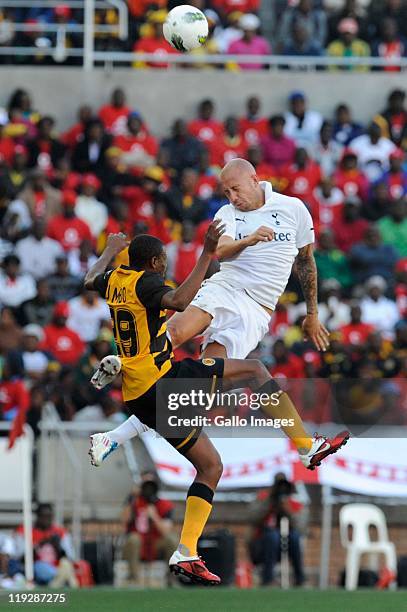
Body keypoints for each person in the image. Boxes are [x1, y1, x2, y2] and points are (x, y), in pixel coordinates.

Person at [85, 225, 348, 585]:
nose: (164, 267)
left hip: (139, 396)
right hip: (161, 384)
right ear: (155, 262)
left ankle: (186, 550)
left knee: (211, 467)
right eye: (162, 262)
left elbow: (90, 279)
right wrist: (207, 253)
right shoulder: (146, 283)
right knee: (254, 370)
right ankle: (306, 447)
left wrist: (109, 249)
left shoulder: (114, 277)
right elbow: (178, 301)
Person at [250, 473, 305, 586]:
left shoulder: (294, 502)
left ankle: (300, 579)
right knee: (272, 536)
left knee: (295, 537)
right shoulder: (264, 498)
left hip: (288, 543)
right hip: (263, 543)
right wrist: (270, 504)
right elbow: (253, 518)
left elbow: (301, 526)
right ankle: (268, 579)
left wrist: (287, 509)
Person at [121, 472, 177, 584]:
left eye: (150, 484)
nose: (148, 488)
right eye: (145, 484)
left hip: (156, 543)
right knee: (133, 539)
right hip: (138, 543)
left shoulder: (165, 505)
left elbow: (166, 531)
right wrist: (131, 497)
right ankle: (134, 579)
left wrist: (154, 516)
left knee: (172, 539)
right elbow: (124, 520)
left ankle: (172, 579)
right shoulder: (134, 502)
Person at [15, 503, 77, 588]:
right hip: (37, 567)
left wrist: (58, 546)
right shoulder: (25, 531)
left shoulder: (60, 532)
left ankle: (56, 583)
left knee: (66, 564)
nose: (46, 520)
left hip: (57, 566)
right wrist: (40, 544)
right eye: (43, 516)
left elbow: (70, 558)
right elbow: (19, 557)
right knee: (40, 566)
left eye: (49, 516)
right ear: (37, 516)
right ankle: (63, 581)